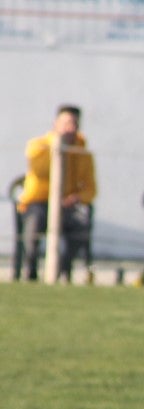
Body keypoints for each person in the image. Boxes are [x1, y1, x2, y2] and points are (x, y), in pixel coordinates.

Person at [17, 104, 96, 281]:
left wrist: (77, 197)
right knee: (34, 224)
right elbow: (40, 170)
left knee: (81, 226)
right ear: (55, 123)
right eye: (66, 123)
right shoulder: (38, 145)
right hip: (39, 202)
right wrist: (58, 148)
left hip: (67, 204)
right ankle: (30, 272)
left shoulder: (82, 151)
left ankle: (62, 270)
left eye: (75, 123)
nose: (71, 128)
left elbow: (91, 189)